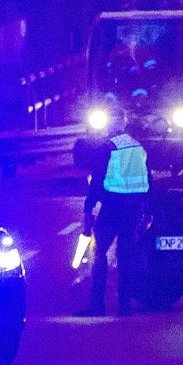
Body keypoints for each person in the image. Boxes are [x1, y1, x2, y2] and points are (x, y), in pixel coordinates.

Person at [77, 104, 150, 317]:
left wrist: (88, 208)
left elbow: (97, 181)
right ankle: (125, 305)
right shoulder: (137, 147)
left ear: (111, 124)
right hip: (133, 209)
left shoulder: (106, 147)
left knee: (99, 254)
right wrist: (148, 207)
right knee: (126, 255)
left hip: (112, 209)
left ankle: (97, 305)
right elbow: (148, 178)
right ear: (125, 122)